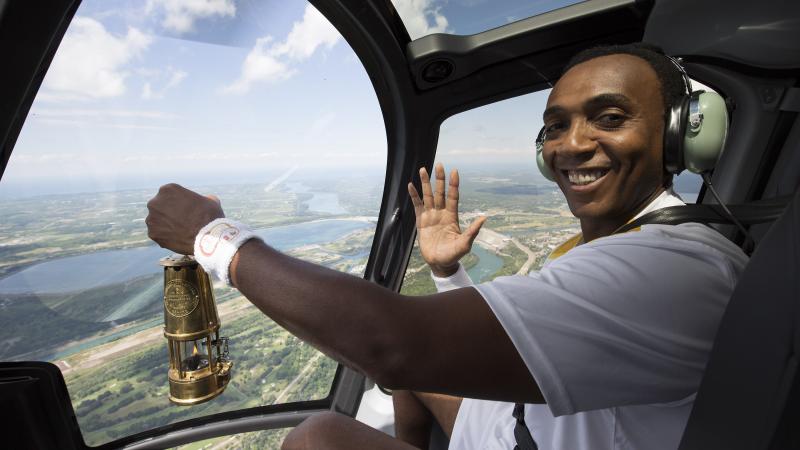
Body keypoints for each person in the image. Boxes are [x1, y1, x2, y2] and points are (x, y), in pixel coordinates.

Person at [145, 43, 748, 449]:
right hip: (509, 428)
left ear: (679, 134)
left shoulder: (674, 270)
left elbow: (392, 344)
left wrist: (211, 237)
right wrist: (446, 272)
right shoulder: (634, 241)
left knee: (318, 437)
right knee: (414, 370)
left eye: (609, 117)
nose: (571, 145)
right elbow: (454, 347)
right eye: (556, 125)